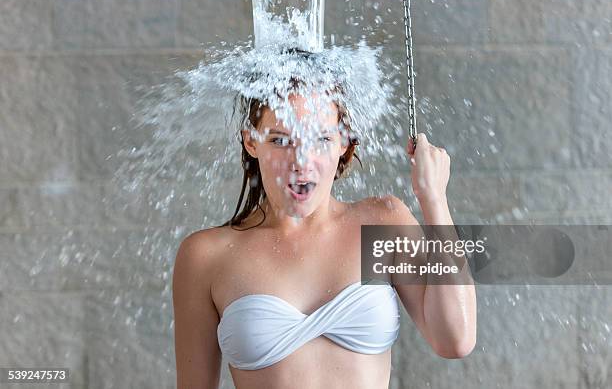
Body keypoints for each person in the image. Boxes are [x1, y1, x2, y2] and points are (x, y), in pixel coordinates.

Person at [172, 87, 477, 388]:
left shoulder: (380, 224)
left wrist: (434, 199)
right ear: (251, 140)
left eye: (321, 139)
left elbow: (455, 339)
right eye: (281, 140)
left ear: (342, 142)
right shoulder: (207, 256)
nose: (301, 162)